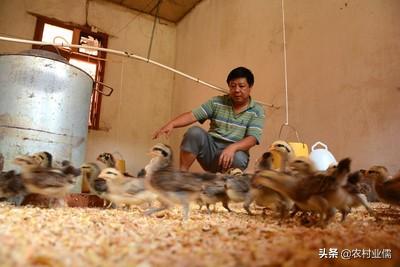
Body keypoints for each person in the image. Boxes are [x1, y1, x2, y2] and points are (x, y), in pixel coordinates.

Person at [152, 66, 265, 172]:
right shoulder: (216, 102)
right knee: (194, 132)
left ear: (250, 87)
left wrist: (233, 148)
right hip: (210, 153)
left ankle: (226, 184)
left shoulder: (257, 110)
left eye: (241, 86)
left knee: (239, 157)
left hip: (233, 157)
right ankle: (182, 174)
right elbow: (192, 115)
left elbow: (253, 138)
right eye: (232, 85)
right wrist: (172, 124)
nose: (236, 90)